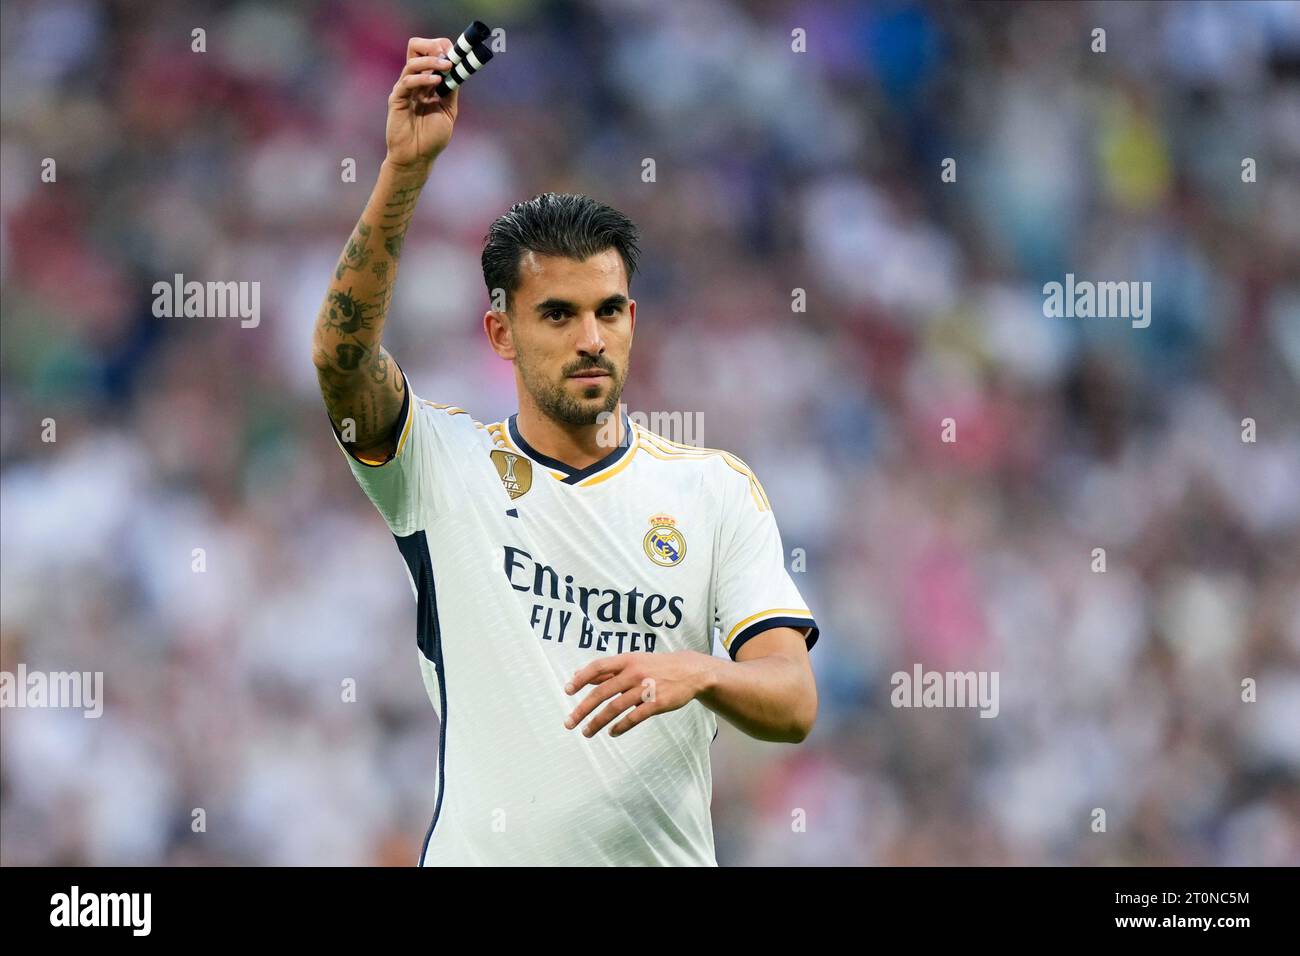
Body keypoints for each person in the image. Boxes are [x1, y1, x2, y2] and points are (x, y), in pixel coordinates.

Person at [312, 35, 820, 866]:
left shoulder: (714, 491)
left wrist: (701, 672)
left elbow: (793, 699)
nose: (591, 339)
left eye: (609, 311)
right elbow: (340, 362)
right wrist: (402, 174)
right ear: (500, 332)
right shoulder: (440, 466)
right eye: (558, 315)